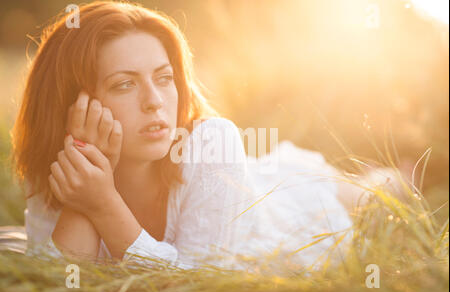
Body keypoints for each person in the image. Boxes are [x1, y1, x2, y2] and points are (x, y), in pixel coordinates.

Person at [11, 1, 401, 272]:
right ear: (72, 105)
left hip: (294, 207)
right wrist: (85, 184)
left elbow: (196, 287)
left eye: (164, 79)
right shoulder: (60, 159)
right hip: (247, 180)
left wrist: (101, 204)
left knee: (375, 191)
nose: (154, 102)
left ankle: (401, 172)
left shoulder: (213, 141)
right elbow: (59, 282)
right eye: (125, 84)